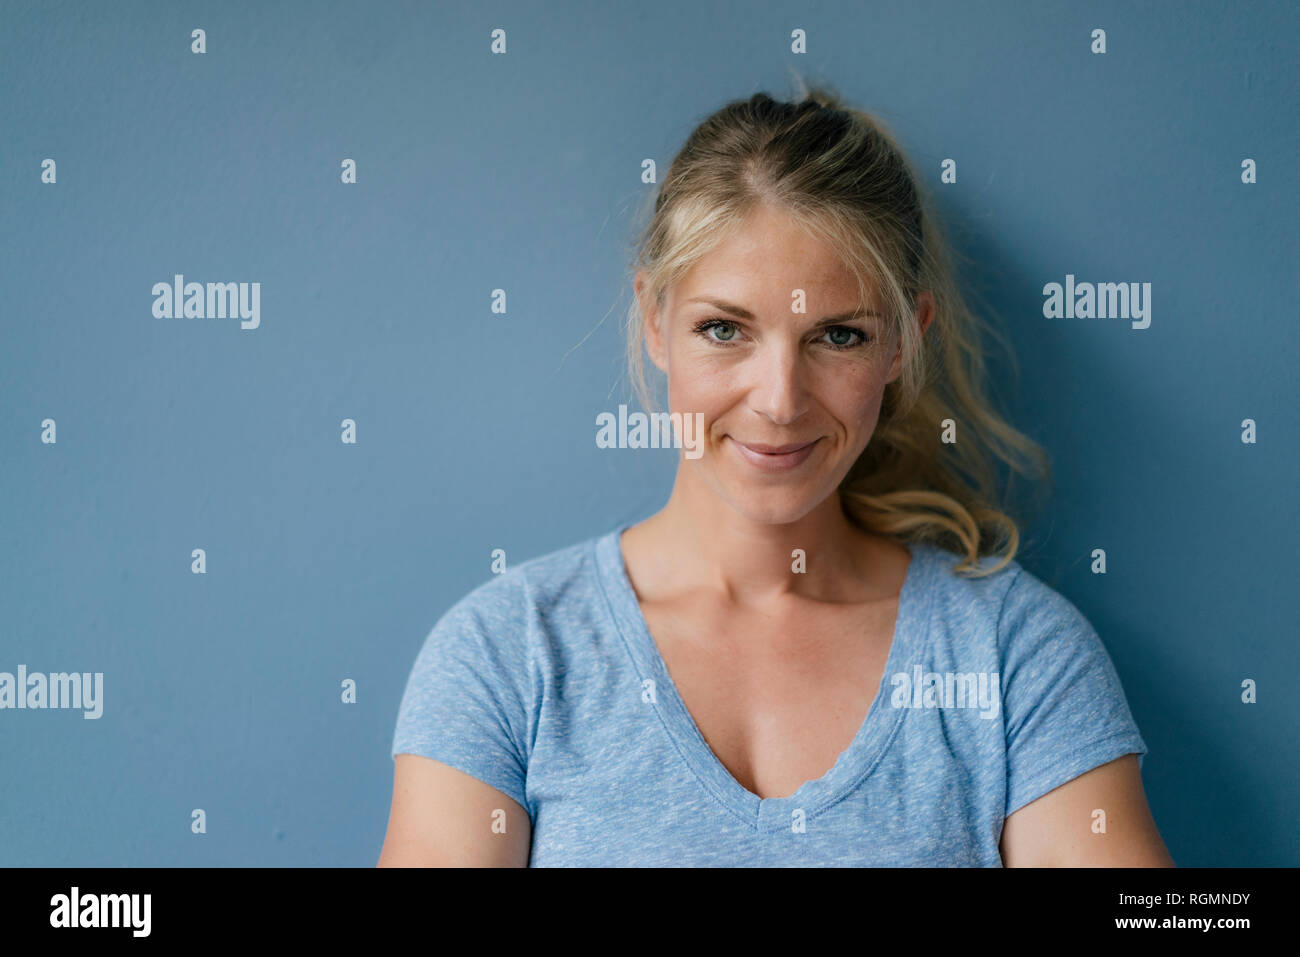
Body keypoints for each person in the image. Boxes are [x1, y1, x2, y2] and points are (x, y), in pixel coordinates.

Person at [378, 84, 1173, 867]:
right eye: (724, 329)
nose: (780, 401)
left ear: (902, 341)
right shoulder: (507, 654)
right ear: (656, 321)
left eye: (838, 336)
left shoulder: (1015, 656)